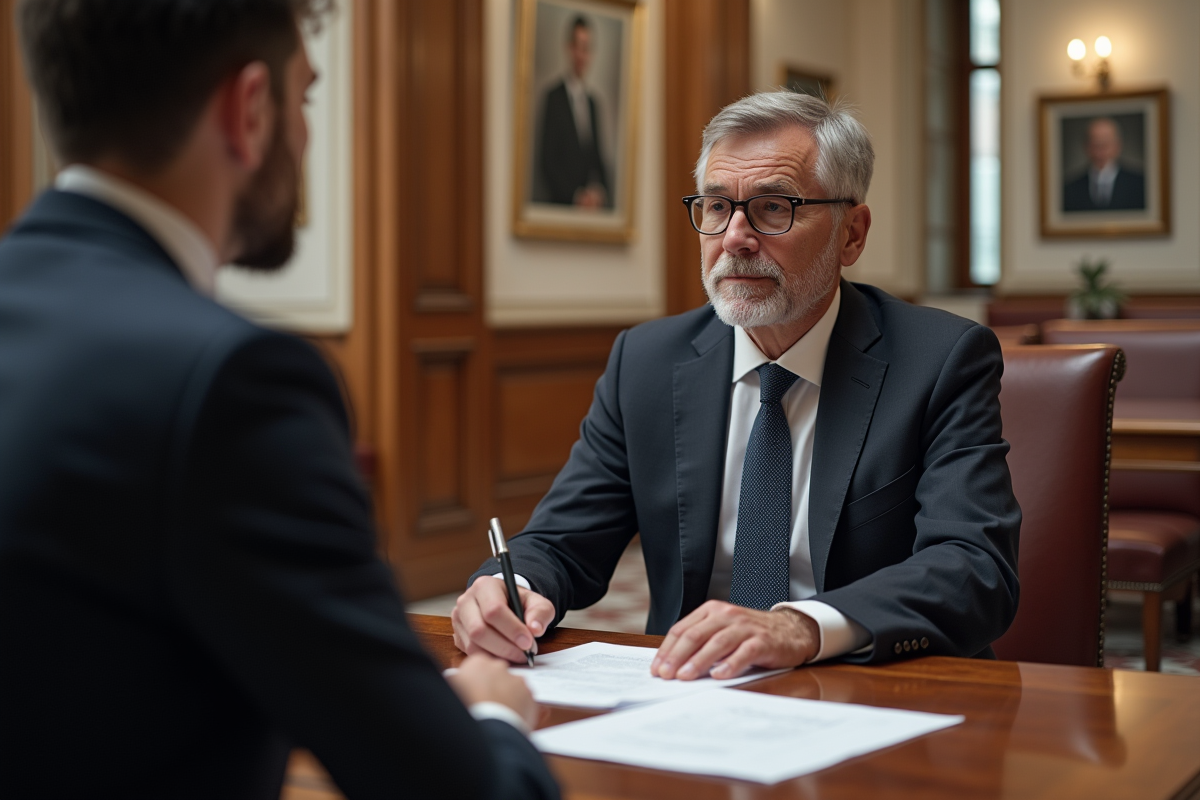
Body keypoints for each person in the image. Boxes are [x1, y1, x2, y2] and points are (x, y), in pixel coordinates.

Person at [0, 2, 558, 798]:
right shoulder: (232, 382)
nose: (304, 133)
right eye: (305, 97)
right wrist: (496, 716)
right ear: (251, 109)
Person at [454, 91, 1021, 681]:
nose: (735, 237)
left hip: (877, 689)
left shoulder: (940, 360)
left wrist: (802, 627)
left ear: (851, 234)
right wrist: (509, 587)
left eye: (774, 208)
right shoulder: (646, 362)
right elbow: (563, 540)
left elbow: (974, 568)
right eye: (717, 207)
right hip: (689, 689)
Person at [534, 15, 611, 209]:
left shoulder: (593, 104)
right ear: (569, 48)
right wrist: (576, 197)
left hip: (589, 211)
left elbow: (597, 159)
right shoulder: (553, 98)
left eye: (587, 49)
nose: (582, 55)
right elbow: (547, 161)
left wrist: (598, 192)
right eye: (578, 47)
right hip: (561, 206)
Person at [1062, 116, 1146, 212]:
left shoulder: (1140, 184)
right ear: (1086, 146)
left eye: (1106, 144)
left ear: (1118, 145)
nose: (1101, 151)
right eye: (1095, 144)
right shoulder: (1069, 189)